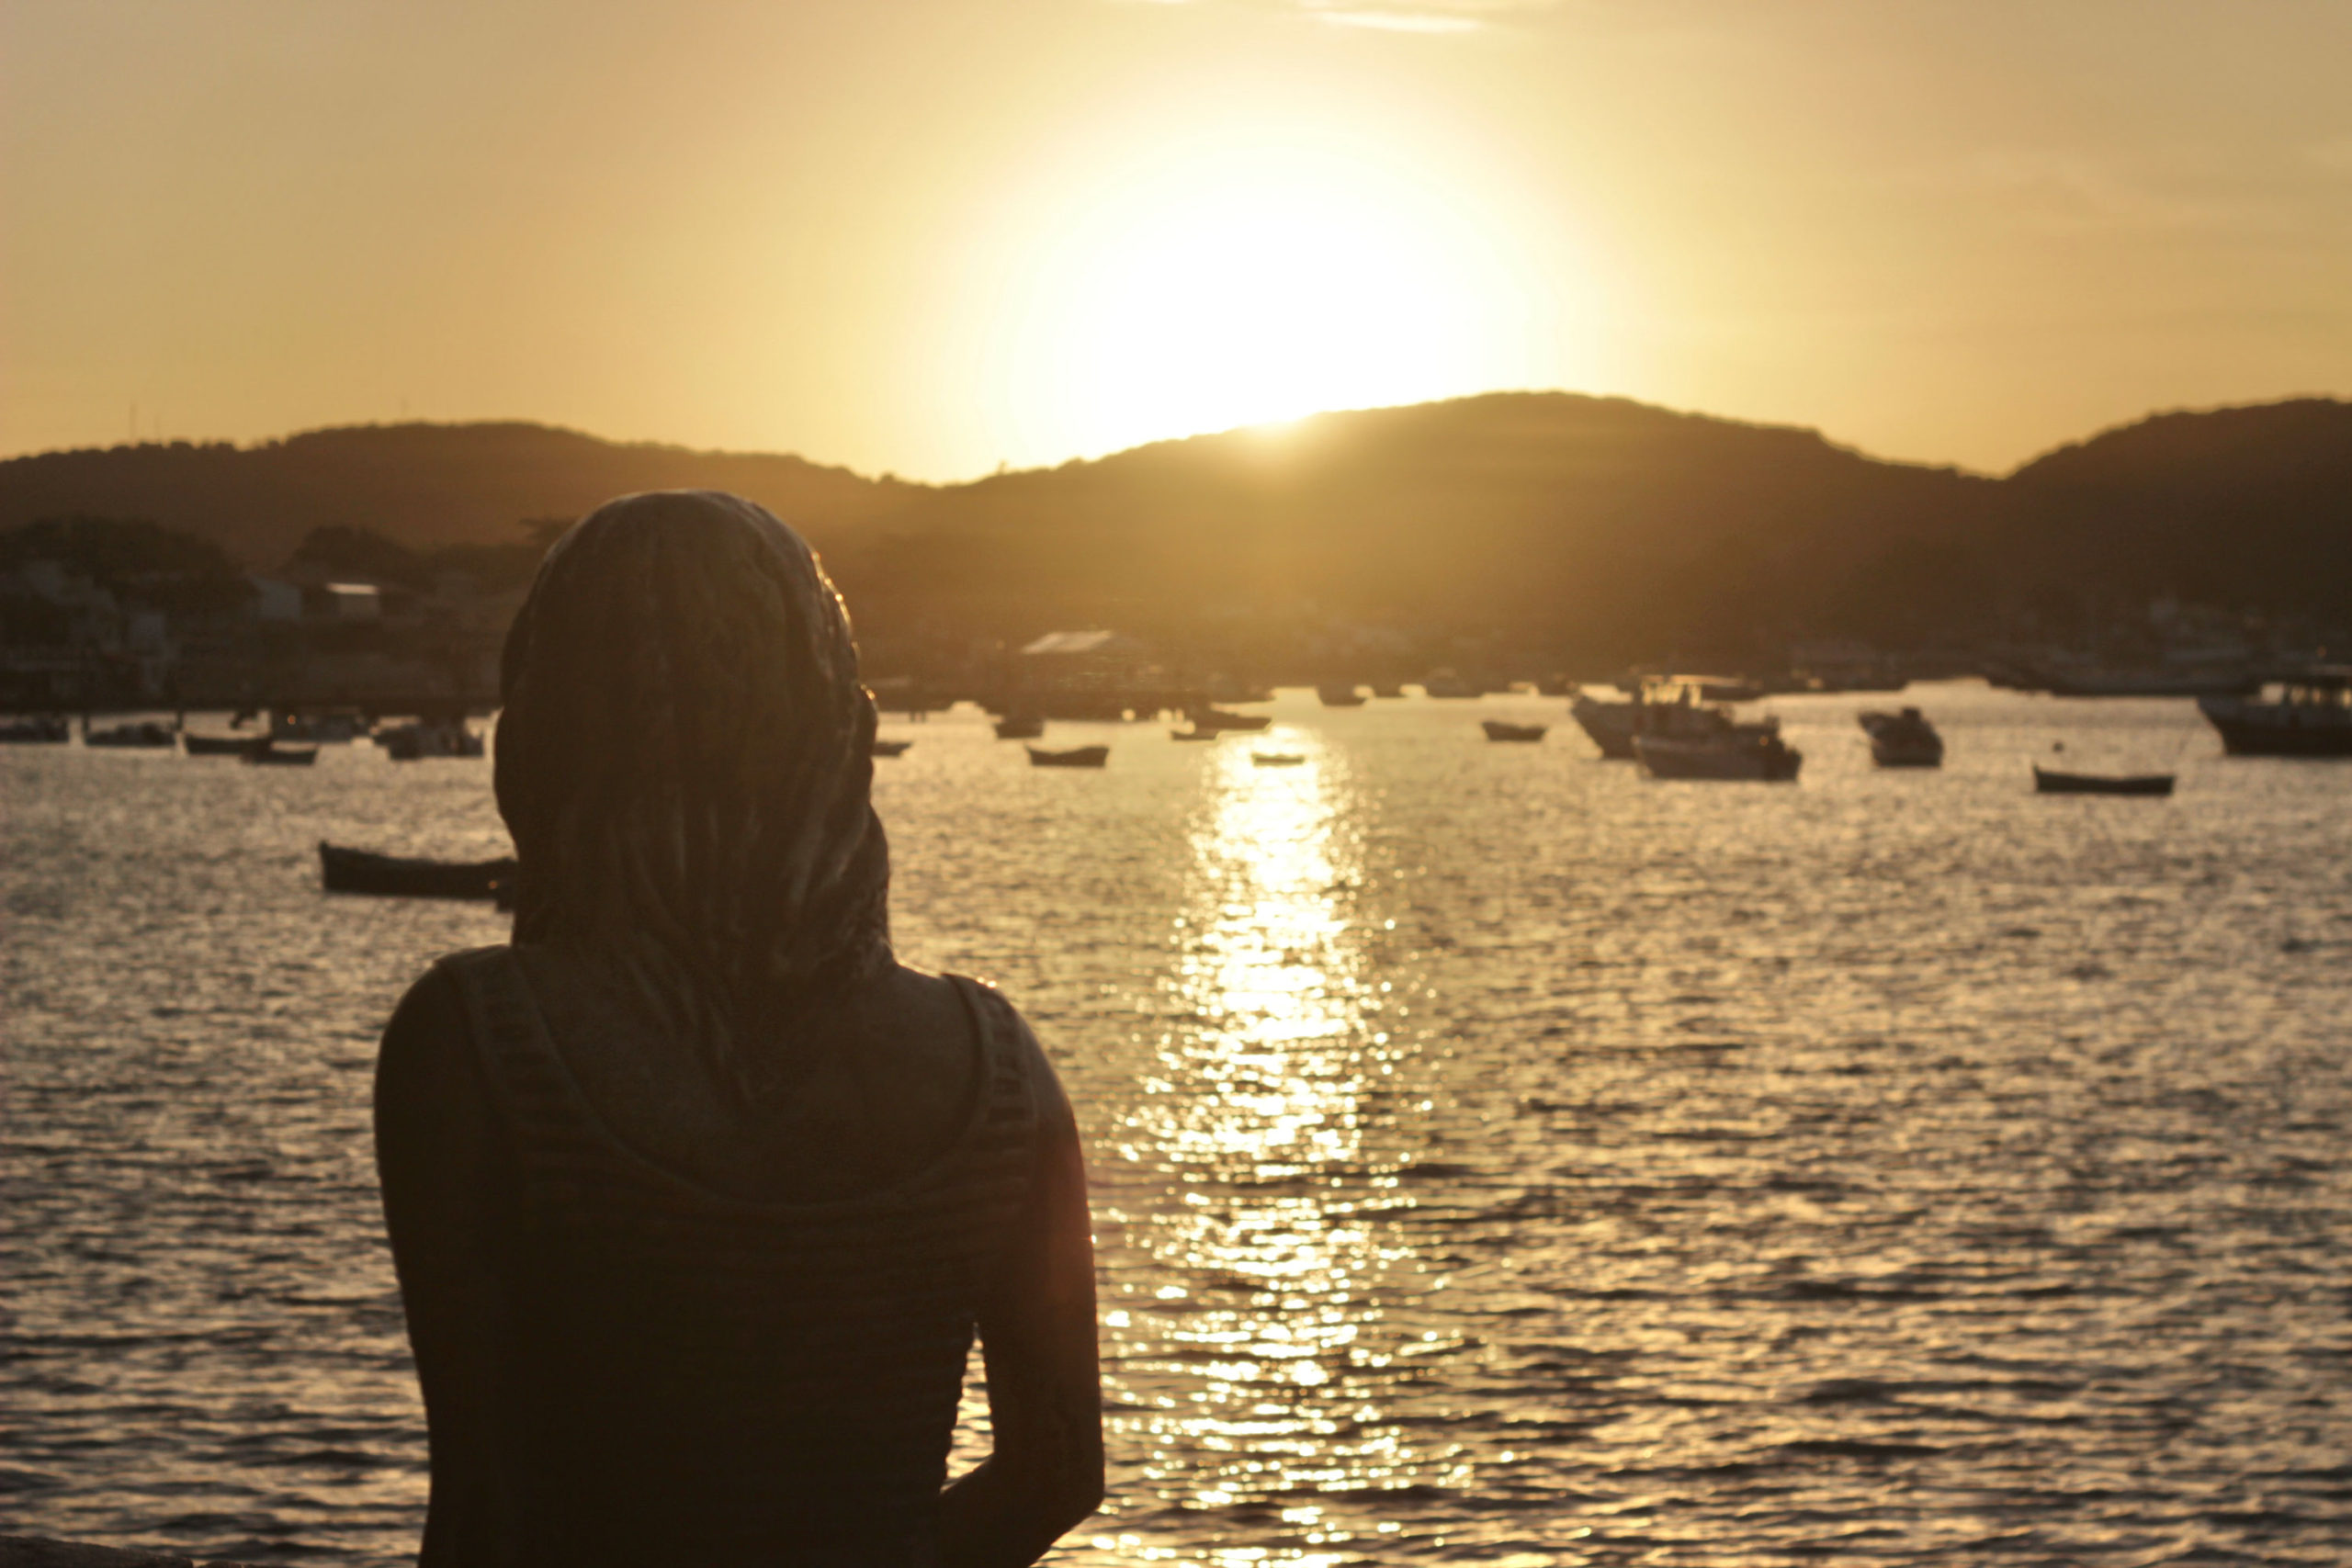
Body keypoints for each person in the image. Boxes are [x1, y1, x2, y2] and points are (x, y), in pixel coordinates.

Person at [373, 491, 1102, 1566]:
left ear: (559, 717)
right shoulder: (997, 1067)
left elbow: (484, 1513)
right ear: (832, 723)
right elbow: (1057, 1475)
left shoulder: (475, 1043)